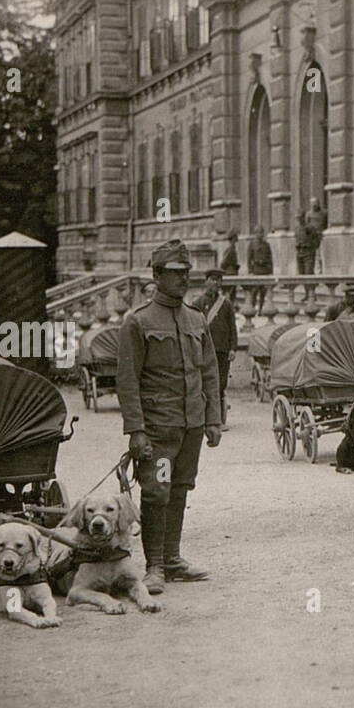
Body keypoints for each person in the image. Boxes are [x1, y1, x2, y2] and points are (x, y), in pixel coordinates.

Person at [116, 240, 222, 593]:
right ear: (157, 276)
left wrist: (212, 419)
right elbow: (128, 380)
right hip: (159, 430)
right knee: (157, 492)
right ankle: (155, 566)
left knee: (180, 489)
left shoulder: (196, 319)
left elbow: (209, 371)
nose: (183, 279)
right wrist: (136, 431)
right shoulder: (139, 322)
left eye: (186, 273)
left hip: (191, 425)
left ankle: (173, 560)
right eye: (175, 274)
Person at [193, 267, 236, 429]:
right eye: (212, 279)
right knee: (204, 383)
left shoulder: (226, 304)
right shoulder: (197, 304)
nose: (215, 283)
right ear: (206, 282)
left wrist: (233, 348)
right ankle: (204, 418)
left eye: (218, 280)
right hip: (203, 350)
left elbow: (232, 327)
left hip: (222, 350)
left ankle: (217, 420)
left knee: (220, 383)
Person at [245, 225, 273, 316]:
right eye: (258, 233)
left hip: (265, 270)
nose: (260, 234)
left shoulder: (266, 245)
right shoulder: (252, 244)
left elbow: (270, 258)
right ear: (255, 234)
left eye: (261, 232)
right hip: (256, 270)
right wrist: (250, 271)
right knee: (254, 291)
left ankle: (260, 310)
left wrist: (270, 270)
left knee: (263, 292)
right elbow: (249, 259)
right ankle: (252, 308)